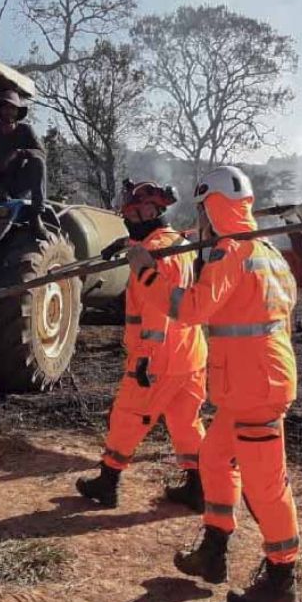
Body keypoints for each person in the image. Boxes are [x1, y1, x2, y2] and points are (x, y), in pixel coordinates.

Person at [126, 166, 301, 602]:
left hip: (256, 386)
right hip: (248, 384)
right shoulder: (266, 250)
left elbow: (192, 310)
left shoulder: (230, 251)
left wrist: (146, 275)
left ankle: (281, 578)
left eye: (202, 210)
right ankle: (214, 550)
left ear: (213, 208)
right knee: (214, 458)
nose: (200, 220)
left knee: (265, 485)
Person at [77, 180, 208, 511]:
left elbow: (156, 309)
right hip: (189, 353)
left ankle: (107, 482)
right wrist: (123, 243)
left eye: (132, 215)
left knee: (127, 415)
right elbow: (146, 241)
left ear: (150, 211)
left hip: (158, 355)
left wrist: (145, 358)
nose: (128, 220)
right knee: (186, 421)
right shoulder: (173, 243)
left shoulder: (157, 257)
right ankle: (199, 487)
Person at [0, 90, 48, 239]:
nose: (9, 111)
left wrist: (19, 153)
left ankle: (36, 215)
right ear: (0, 110)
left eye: (13, 108)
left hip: (17, 183)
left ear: (17, 112)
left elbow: (41, 153)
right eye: (6, 107)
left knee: (37, 162)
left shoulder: (25, 130)